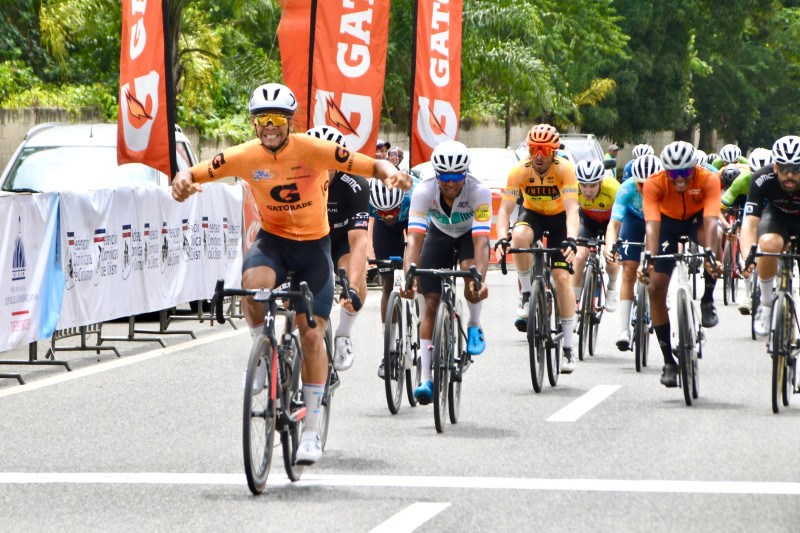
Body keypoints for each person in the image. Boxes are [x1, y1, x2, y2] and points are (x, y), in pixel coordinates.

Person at [171, 83, 411, 465]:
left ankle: (312, 430)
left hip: (315, 249)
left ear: (290, 122)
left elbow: (362, 162)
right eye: (262, 120)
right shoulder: (244, 156)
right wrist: (183, 181)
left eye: (277, 120)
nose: (269, 127)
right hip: (275, 241)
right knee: (252, 290)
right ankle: (263, 355)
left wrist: (387, 169)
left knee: (311, 333)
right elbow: (196, 173)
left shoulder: (310, 149)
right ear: (254, 123)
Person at [401, 140, 491, 404]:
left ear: (465, 173)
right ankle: (425, 377)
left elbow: (482, 242)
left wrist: (479, 280)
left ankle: (474, 324)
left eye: (456, 177)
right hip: (438, 235)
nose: (450, 183)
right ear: (436, 175)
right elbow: (415, 240)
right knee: (430, 303)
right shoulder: (423, 191)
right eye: (445, 177)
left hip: (468, 236)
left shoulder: (479, 191)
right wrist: (410, 275)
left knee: (469, 273)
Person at [495, 124, 580, 373]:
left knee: (561, 278)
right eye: (534, 149)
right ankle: (526, 293)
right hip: (533, 214)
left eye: (544, 150)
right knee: (519, 236)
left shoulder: (564, 170)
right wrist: (502, 238)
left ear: (554, 151)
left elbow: (573, 210)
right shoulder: (519, 171)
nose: (539, 156)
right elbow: (505, 211)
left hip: (559, 220)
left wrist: (572, 239)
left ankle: (567, 347)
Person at [639, 141, 721, 388]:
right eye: (674, 174)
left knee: (712, 240)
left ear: (694, 168)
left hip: (697, 220)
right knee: (654, 288)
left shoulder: (708, 179)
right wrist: (649, 260)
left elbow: (711, 220)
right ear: (666, 172)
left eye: (686, 172)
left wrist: (710, 256)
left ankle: (708, 298)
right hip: (666, 225)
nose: (680, 179)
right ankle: (668, 361)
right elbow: (652, 226)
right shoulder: (654, 183)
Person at [306, 126, 369, 372]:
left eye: (328, 161)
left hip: (341, 239)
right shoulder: (297, 179)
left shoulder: (355, 184)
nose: (321, 169)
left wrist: (352, 287)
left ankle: (343, 334)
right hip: (310, 239)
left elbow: (359, 242)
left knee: (355, 273)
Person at [740, 135, 800, 337]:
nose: (790, 175)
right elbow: (749, 223)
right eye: (784, 169)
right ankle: (766, 305)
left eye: (796, 170)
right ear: (775, 168)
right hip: (777, 218)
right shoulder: (761, 178)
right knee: (766, 244)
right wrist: (748, 256)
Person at [605, 154, 664, 350]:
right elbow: (614, 224)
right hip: (634, 221)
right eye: (640, 184)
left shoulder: (666, 187)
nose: (643, 188)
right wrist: (610, 246)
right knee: (629, 271)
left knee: (659, 265)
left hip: (658, 221)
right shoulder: (627, 188)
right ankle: (624, 331)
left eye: (649, 184)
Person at [369, 176, 418, 378]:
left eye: (392, 211)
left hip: (412, 219)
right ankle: (388, 350)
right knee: (387, 284)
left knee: (417, 270)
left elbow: (419, 238)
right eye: (382, 212)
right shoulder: (368, 200)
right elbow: (358, 232)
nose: (388, 216)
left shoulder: (412, 195)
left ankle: (424, 327)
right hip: (384, 233)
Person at [720, 148, 774, 316]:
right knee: (746, 258)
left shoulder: (780, 181)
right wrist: (726, 226)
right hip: (751, 212)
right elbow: (721, 207)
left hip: (772, 214)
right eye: (755, 174)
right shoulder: (742, 180)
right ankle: (747, 294)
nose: (761, 179)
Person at [571, 159, 621, 312]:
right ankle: (573, 303)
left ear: (600, 182)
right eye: (584, 185)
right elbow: (568, 214)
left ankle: (612, 287)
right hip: (587, 221)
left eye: (593, 185)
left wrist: (609, 245)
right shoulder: (572, 189)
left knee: (611, 257)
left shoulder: (614, 188)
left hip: (610, 222)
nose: (587, 191)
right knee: (579, 257)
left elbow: (620, 218)